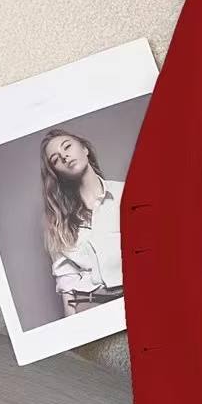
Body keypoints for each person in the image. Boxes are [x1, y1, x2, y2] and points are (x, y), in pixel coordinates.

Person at [40, 127, 125, 317]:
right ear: (57, 173)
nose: (64, 156)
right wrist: (72, 327)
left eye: (67, 146)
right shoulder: (58, 220)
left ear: (85, 149)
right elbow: (66, 279)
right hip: (90, 304)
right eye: (55, 159)